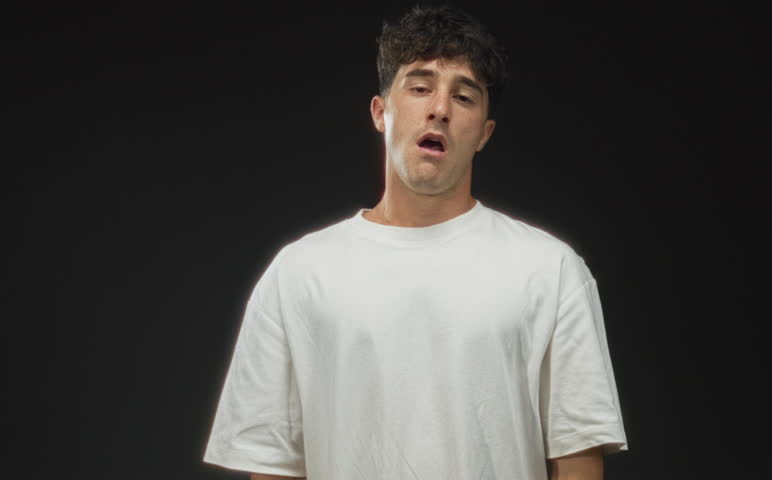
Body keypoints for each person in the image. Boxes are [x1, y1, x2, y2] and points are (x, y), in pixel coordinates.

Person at [203, 5, 628, 479]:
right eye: (420, 87)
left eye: (464, 97)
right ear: (381, 112)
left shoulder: (551, 271)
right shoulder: (298, 274)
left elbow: (576, 458)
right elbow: (270, 461)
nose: (440, 109)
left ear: (484, 134)